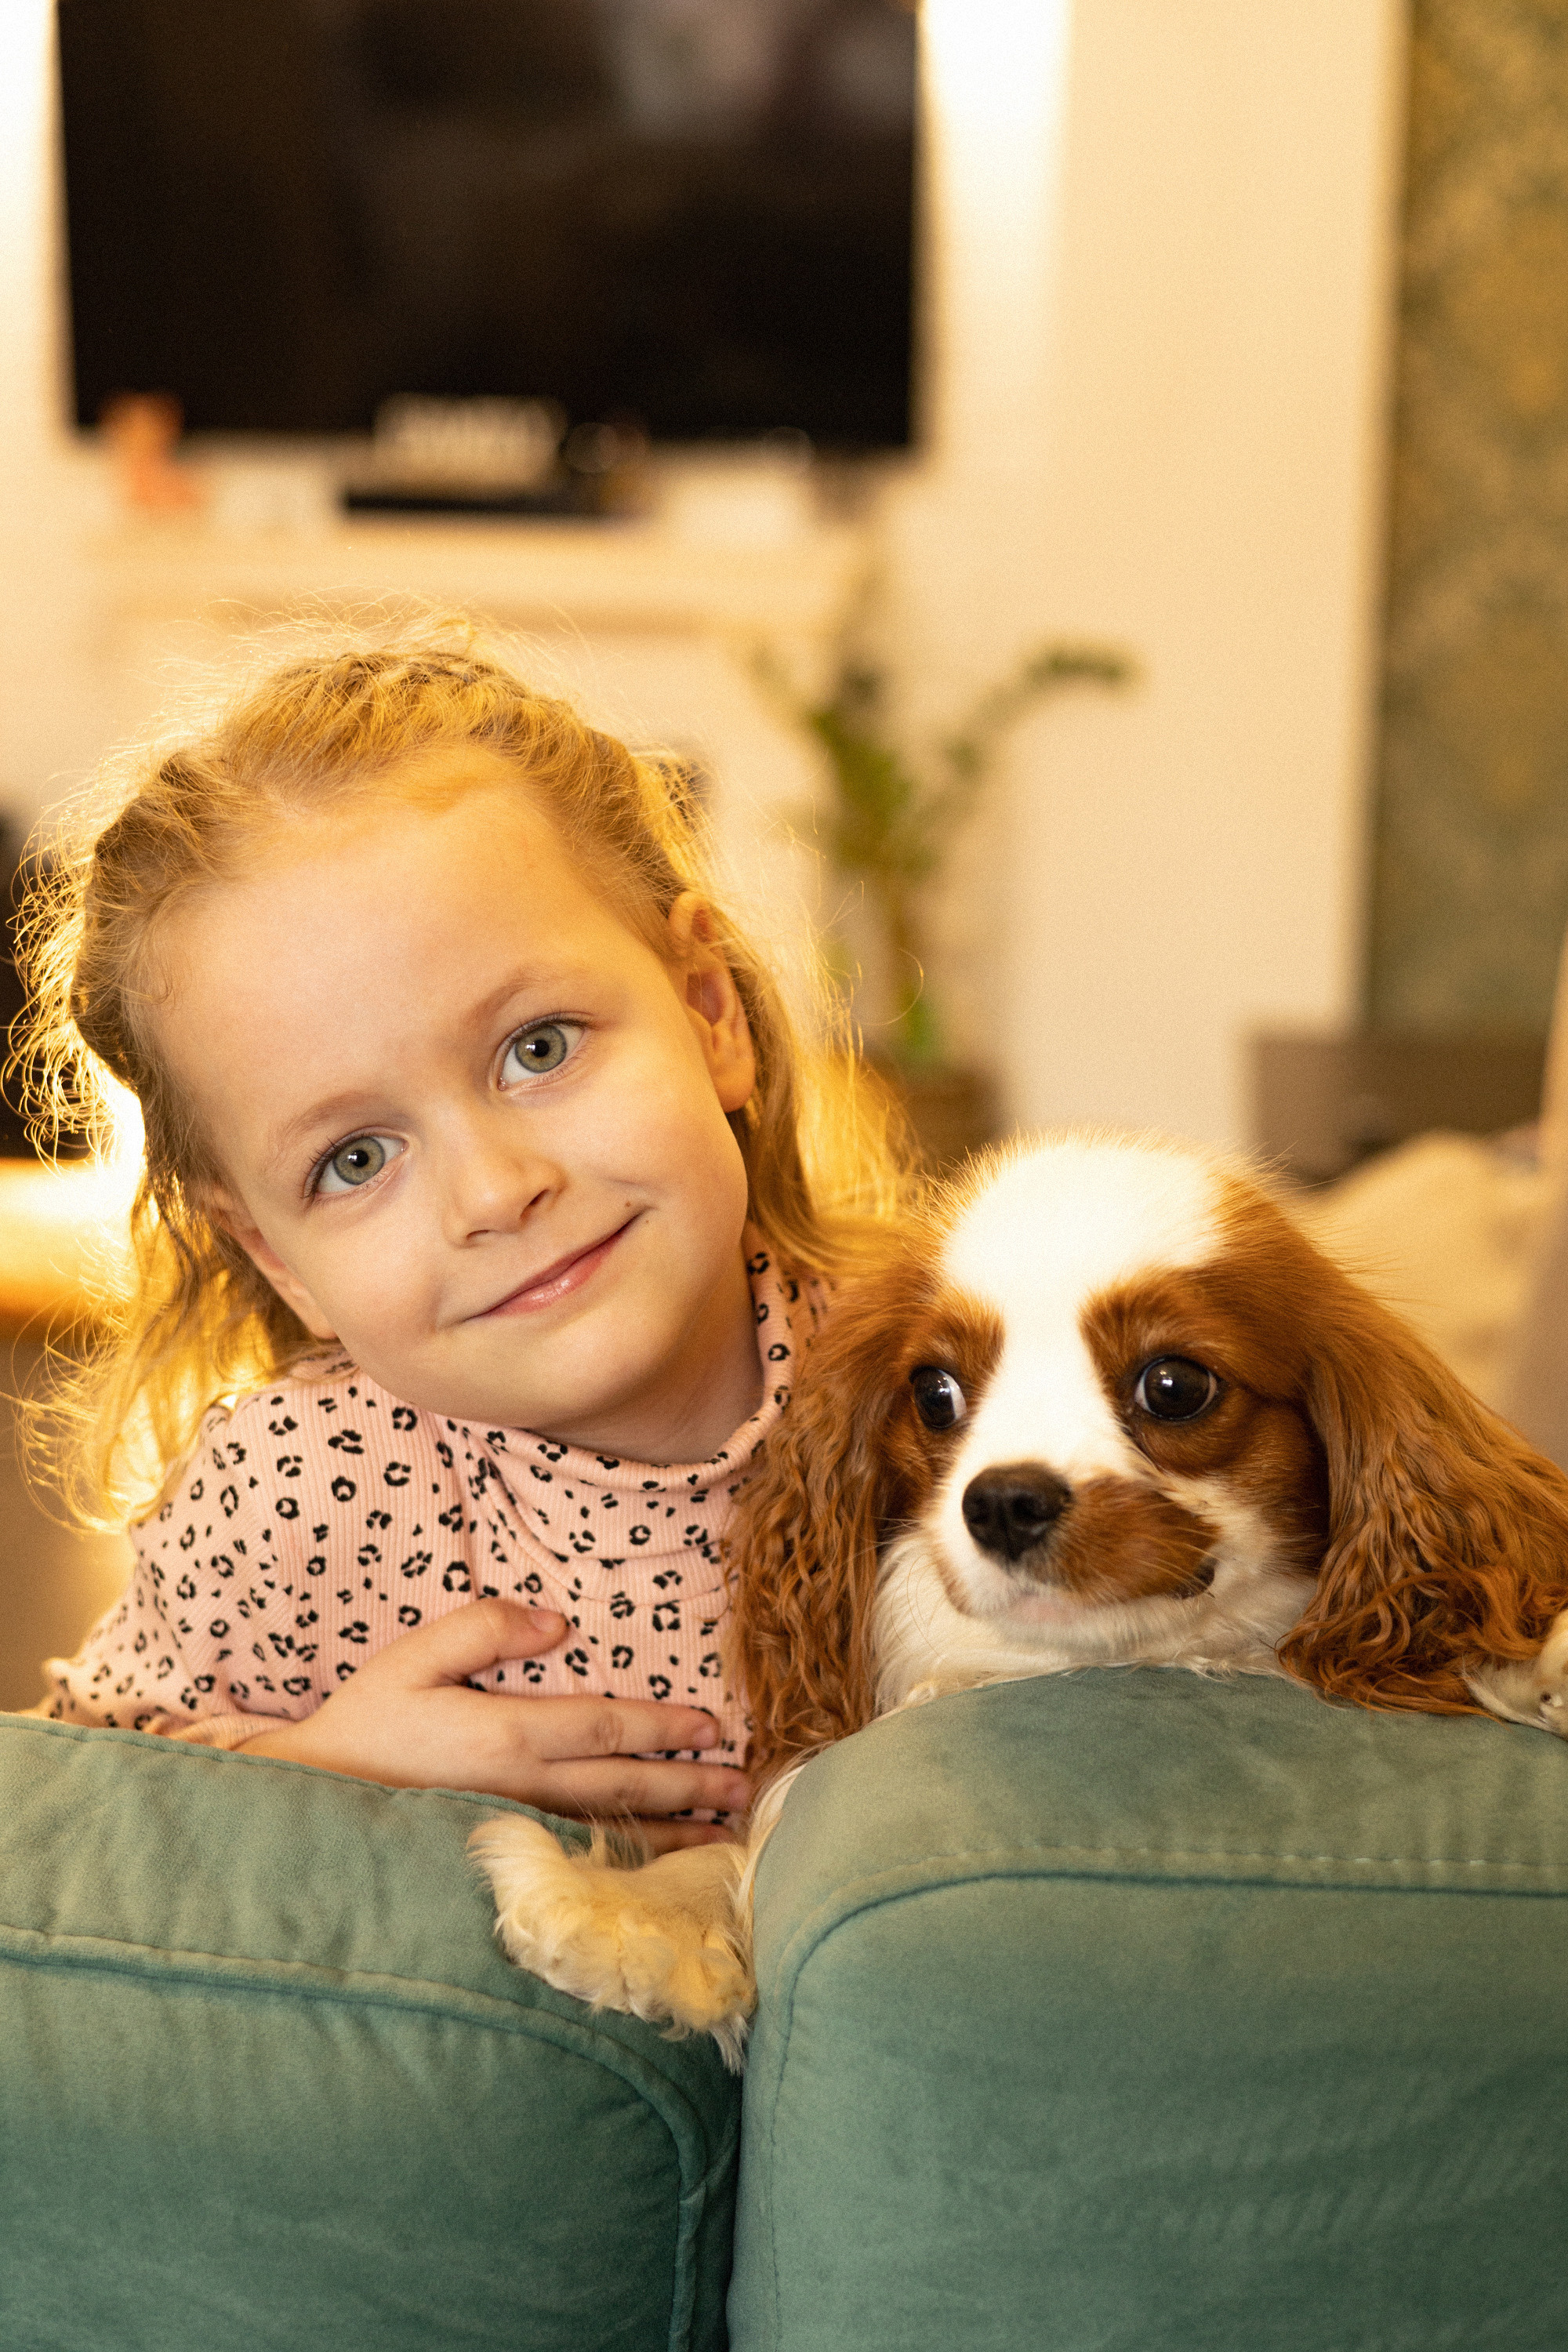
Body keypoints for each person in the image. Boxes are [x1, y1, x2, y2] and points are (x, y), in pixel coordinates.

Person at [31, 630, 901, 1849]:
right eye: (354, 1160)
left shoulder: (937, 1380)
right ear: (278, 1258)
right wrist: (315, 1769)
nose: (494, 1192)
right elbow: (67, 1809)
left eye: (538, 1047)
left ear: (709, 1013)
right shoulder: (294, 1491)